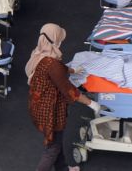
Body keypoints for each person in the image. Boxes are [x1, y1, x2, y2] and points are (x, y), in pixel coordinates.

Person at [26, 23, 101, 171]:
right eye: (59, 39)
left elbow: (59, 68)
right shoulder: (52, 64)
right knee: (52, 148)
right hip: (50, 112)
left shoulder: (40, 54)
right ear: (55, 40)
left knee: (57, 142)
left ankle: (63, 168)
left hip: (39, 107)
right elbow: (69, 90)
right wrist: (91, 103)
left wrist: (73, 70)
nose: (61, 42)